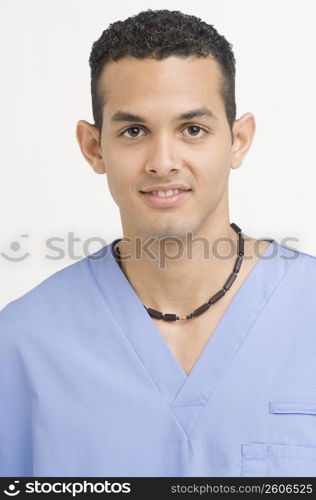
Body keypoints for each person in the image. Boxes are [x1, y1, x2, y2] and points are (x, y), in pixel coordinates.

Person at [1, 9, 316, 478]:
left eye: (193, 129)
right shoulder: (22, 342)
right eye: (134, 131)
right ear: (94, 147)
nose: (163, 161)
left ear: (239, 140)